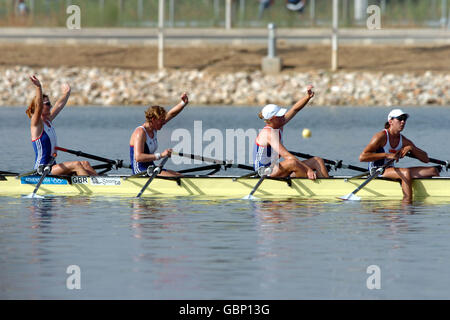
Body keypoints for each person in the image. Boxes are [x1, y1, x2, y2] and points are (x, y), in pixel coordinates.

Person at [359, 109, 439, 203]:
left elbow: (425, 159)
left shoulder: (403, 140)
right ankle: (407, 203)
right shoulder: (381, 136)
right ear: (390, 121)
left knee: (433, 170)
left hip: (391, 169)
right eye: (400, 119)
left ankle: (433, 193)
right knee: (405, 173)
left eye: (404, 119)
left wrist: (411, 148)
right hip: (377, 170)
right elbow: (362, 157)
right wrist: (387, 155)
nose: (403, 122)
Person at [26, 75, 98, 176]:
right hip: (42, 169)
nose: (50, 106)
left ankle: (102, 183)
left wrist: (66, 93)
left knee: (85, 164)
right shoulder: (36, 124)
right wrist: (38, 87)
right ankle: (93, 187)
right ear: (40, 107)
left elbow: (59, 105)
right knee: (76, 164)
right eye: (47, 104)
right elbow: (38, 105)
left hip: (52, 167)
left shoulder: (48, 121)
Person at [253, 85, 329, 180]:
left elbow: (294, 109)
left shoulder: (278, 124)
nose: (283, 116)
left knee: (317, 160)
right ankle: (311, 185)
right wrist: (308, 169)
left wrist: (307, 97)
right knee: (292, 162)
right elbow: (287, 156)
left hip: (275, 168)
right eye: (280, 115)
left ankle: (327, 185)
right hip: (264, 171)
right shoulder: (268, 133)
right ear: (272, 119)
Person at [129, 93, 189, 177]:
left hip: (151, 167)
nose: (163, 123)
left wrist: (183, 103)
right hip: (140, 170)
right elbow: (138, 157)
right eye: (161, 121)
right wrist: (161, 155)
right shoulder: (140, 132)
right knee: (176, 177)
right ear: (153, 120)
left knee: (179, 175)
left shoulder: (154, 127)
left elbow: (171, 114)